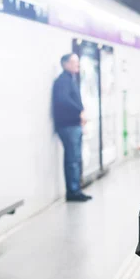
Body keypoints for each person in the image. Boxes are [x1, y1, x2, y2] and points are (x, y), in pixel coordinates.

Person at [52, 53, 92, 202]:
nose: (78, 65)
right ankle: (73, 191)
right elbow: (63, 100)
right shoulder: (63, 81)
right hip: (69, 126)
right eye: (74, 62)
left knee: (75, 158)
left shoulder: (69, 80)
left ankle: (76, 189)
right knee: (72, 160)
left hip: (73, 125)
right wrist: (79, 112)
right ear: (65, 64)